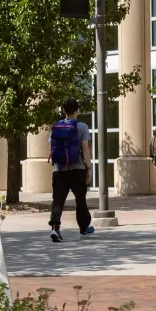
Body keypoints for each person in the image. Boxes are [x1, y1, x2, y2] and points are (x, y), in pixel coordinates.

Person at [48, 101, 93, 242]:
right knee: (80, 200)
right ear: (77, 111)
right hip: (77, 169)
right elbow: (85, 149)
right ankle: (84, 229)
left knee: (58, 201)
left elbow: (50, 145)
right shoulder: (82, 127)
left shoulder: (55, 127)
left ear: (63, 110)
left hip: (59, 170)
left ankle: (55, 228)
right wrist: (89, 168)